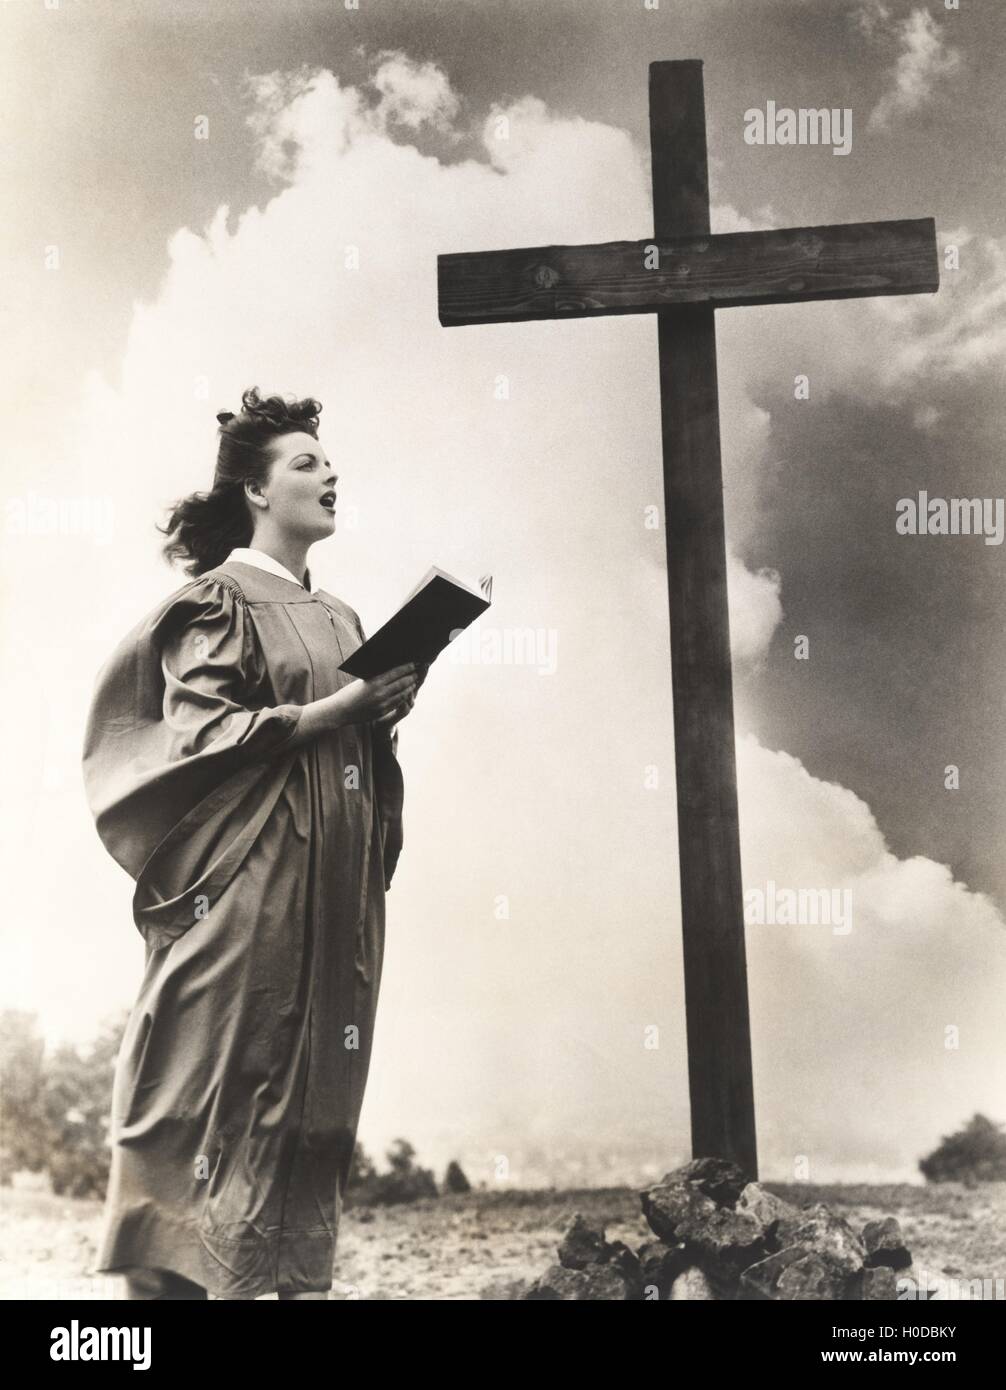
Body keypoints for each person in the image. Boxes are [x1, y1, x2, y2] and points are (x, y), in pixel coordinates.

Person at [81, 387, 427, 1300]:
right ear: (257, 493)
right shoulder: (217, 604)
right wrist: (339, 707)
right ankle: (162, 1300)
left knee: (311, 1099)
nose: (330, 473)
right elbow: (202, 735)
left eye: (328, 459)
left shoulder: (346, 618)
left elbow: (350, 753)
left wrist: (380, 712)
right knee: (204, 1087)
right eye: (307, 462)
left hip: (332, 901)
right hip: (244, 899)